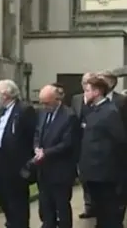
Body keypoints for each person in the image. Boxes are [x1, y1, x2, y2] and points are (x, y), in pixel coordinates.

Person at [78, 75, 127, 228]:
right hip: (92, 172)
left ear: (97, 92)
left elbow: (120, 141)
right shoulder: (93, 110)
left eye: (87, 90)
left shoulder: (110, 112)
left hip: (105, 173)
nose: (84, 93)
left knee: (109, 214)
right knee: (100, 212)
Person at [0, 79, 36, 228]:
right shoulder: (3, 110)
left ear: (7, 94)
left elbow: (30, 136)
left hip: (15, 163)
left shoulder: (24, 110)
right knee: (2, 196)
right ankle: (11, 222)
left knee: (17, 200)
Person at [34, 84, 78, 228]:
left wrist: (46, 153)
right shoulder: (42, 113)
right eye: (42, 102)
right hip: (44, 169)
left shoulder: (69, 116)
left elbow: (67, 143)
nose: (44, 106)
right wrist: (36, 148)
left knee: (61, 206)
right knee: (46, 206)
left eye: (47, 102)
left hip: (60, 170)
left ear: (56, 99)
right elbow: (37, 133)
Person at [70, 72, 94, 219]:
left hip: (94, 143)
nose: (86, 84)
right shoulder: (76, 99)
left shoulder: (99, 100)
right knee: (83, 176)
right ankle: (89, 206)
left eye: (89, 82)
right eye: (84, 82)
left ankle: (99, 205)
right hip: (79, 142)